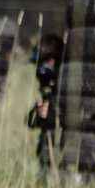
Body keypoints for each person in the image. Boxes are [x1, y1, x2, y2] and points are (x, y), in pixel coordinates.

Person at [27, 34, 64, 170]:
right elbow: (30, 122)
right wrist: (38, 112)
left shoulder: (65, 91)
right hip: (46, 157)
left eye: (45, 62)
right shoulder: (48, 92)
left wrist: (51, 113)